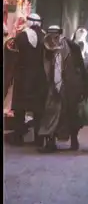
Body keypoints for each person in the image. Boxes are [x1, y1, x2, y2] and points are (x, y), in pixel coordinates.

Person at [38, 25, 88, 153]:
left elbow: (81, 67)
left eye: (55, 35)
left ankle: (73, 140)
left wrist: (84, 87)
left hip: (70, 86)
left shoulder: (72, 47)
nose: (52, 38)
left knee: (71, 113)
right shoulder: (47, 48)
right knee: (52, 113)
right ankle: (51, 143)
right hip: (53, 87)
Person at [11, 13, 47, 147]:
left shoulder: (21, 36)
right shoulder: (44, 37)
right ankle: (38, 137)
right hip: (39, 77)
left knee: (20, 108)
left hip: (23, 76)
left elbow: (15, 55)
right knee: (38, 109)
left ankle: (18, 137)